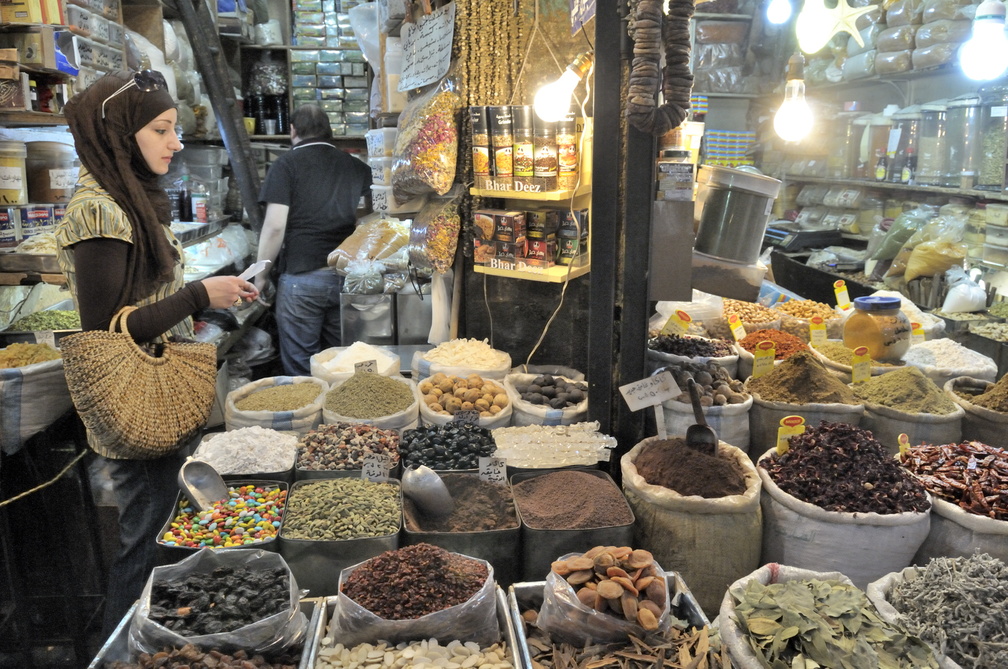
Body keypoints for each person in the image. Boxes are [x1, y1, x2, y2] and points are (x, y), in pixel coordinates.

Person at [55, 69, 259, 636]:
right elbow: (105, 331)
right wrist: (198, 294)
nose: (176, 143)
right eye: (162, 130)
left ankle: (160, 639)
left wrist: (198, 300)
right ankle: (120, 647)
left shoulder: (131, 198)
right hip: (134, 405)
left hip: (157, 392)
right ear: (123, 135)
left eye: (175, 130)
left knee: (161, 533)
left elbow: (142, 300)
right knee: (146, 541)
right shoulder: (100, 212)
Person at [254, 102, 372, 375]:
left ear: (292, 130)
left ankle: (310, 416)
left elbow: (274, 227)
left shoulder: (285, 165)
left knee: (301, 369)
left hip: (302, 278)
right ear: (329, 131)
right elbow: (374, 213)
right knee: (339, 363)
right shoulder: (354, 166)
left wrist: (260, 275)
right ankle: (339, 416)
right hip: (347, 276)